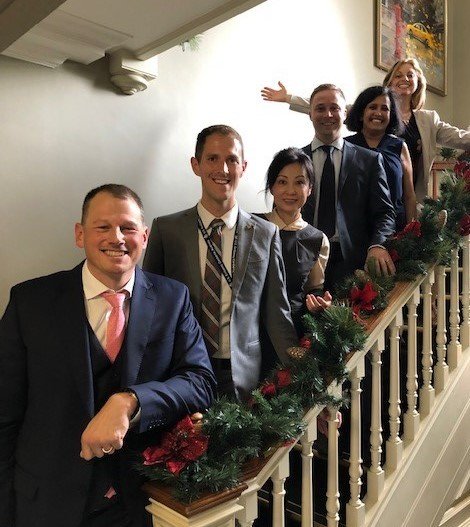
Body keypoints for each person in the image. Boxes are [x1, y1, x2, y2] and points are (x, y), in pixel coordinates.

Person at [0, 184, 216, 527]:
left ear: (144, 237)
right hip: (45, 502)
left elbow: (200, 381)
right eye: (103, 227)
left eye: (128, 228)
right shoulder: (30, 302)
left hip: (140, 501)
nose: (117, 237)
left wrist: (130, 401)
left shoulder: (174, 299)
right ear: (79, 234)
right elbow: (5, 414)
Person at [143, 125, 299, 401]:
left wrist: (300, 377)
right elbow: (149, 309)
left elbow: (277, 313)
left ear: (243, 166)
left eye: (231, 160)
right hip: (182, 372)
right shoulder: (167, 230)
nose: (223, 169)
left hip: (243, 375)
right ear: (196, 165)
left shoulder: (265, 233)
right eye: (212, 159)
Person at [261, 59, 470, 204]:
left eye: (410, 75)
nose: (404, 78)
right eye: (398, 75)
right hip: (363, 197)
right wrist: (289, 98)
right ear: (389, 82)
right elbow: (331, 109)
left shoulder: (428, 119)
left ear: (418, 83)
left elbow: (459, 137)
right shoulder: (371, 109)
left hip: (406, 196)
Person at [298, 84, 396, 288]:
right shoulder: (296, 160)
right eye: (320, 108)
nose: (328, 114)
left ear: (345, 113)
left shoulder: (369, 160)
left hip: (352, 262)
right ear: (310, 114)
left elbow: (385, 213)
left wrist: (378, 245)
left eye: (334, 108)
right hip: (302, 259)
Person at [258, 147, 332, 336]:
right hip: (252, 332)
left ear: (310, 189)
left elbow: (313, 289)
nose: (290, 191)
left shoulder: (318, 239)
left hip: (293, 332)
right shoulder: (252, 226)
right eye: (282, 182)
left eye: (299, 182)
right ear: (272, 186)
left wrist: (318, 303)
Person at [344, 85, 416, 230]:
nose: (378, 113)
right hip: (355, 231)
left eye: (385, 109)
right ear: (360, 113)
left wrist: (411, 233)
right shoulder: (346, 145)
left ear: (391, 115)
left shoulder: (400, 146)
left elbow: (409, 195)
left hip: (395, 229)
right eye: (372, 107)